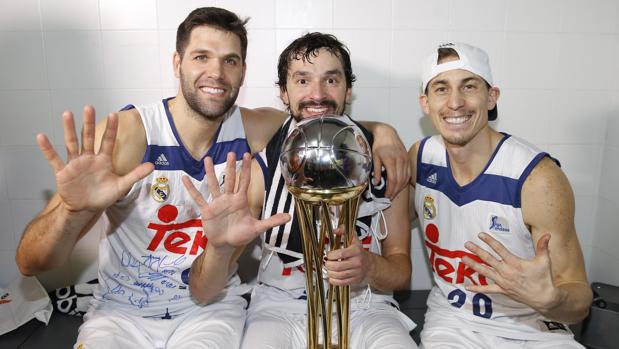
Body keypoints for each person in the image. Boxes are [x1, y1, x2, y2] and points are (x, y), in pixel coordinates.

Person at [15, 7, 409, 349]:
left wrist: (386, 135)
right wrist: (71, 208)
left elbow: (322, 121)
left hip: (211, 309)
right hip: (121, 313)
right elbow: (31, 262)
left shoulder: (260, 129)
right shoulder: (129, 135)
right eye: (201, 57)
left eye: (230, 61)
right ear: (177, 63)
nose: (216, 73)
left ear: (242, 71)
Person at [184, 32, 418, 349]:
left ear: (349, 90)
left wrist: (370, 266)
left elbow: (401, 271)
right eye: (302, 81)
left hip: (367, 307)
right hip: (280, 306)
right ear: (284, 92)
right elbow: (202, 292)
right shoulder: (259, 168)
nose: (317, 95)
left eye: (331, 80)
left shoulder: (385, 160)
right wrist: (220, 248)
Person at [409, 42, 592, 348]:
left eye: (469, 86)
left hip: (534, 327)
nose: (455, 102)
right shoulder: (420, 158)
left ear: (491, 97)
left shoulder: (538, 178)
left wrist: (551, 299)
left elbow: (579, 298)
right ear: (425, 103)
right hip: (456, 326)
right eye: (441, 89)